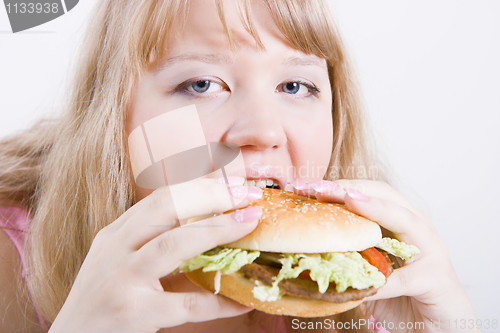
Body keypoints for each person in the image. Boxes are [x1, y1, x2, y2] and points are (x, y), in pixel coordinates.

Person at [0, 0, 478, 332]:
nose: (263, 132)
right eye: (202, 84)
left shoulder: (378, 280)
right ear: (113, 114)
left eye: (295, 86)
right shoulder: (13, 253)